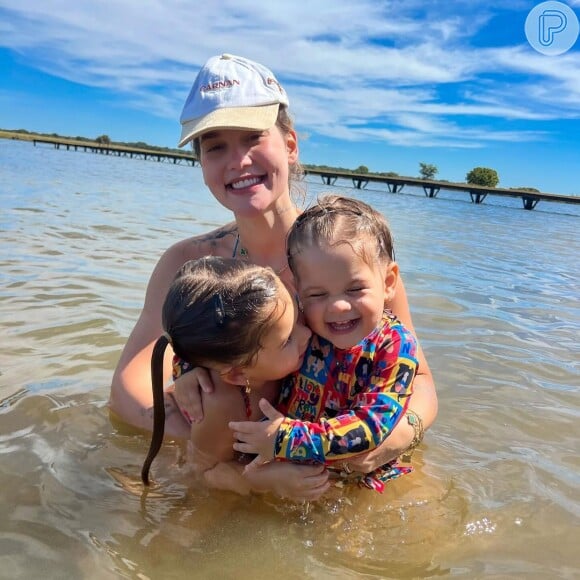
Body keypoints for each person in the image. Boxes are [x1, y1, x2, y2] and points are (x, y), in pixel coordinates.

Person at [109, 53, 438, 499]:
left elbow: (418, 379)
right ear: (201, 164)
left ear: (290, 144)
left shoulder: (352, 258)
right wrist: (211, 429)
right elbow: (126, 392)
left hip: (354, 467)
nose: (238, 160)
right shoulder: (187, 264)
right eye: (215, 146)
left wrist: (398, 437)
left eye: (252, 137)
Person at [230, 195, 420, 493]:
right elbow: (239, 341)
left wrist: (284, 439)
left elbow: (371, 427)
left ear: (388, 282)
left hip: (358, 477)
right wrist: (190, 371)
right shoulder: (301, 322)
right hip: (286, 462)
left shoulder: (395, 346)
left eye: (355, 289)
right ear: (299, 290)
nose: (339, 307)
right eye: (318, 295)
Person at [140, 256, 328, 498]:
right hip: (185, 431)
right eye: (287, 340)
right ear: (238, 375)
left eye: (298, 313)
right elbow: (200, 470)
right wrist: (267, 480)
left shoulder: (260, 352)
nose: (306, 333)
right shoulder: (222, 403)